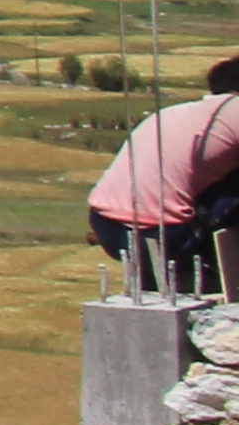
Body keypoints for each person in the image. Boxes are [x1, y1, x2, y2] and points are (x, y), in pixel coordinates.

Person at [89, 58, 239, 290]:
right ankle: (213, 270)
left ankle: (170, 276)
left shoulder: (178, 113)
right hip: (162, 235)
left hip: (107, 226)